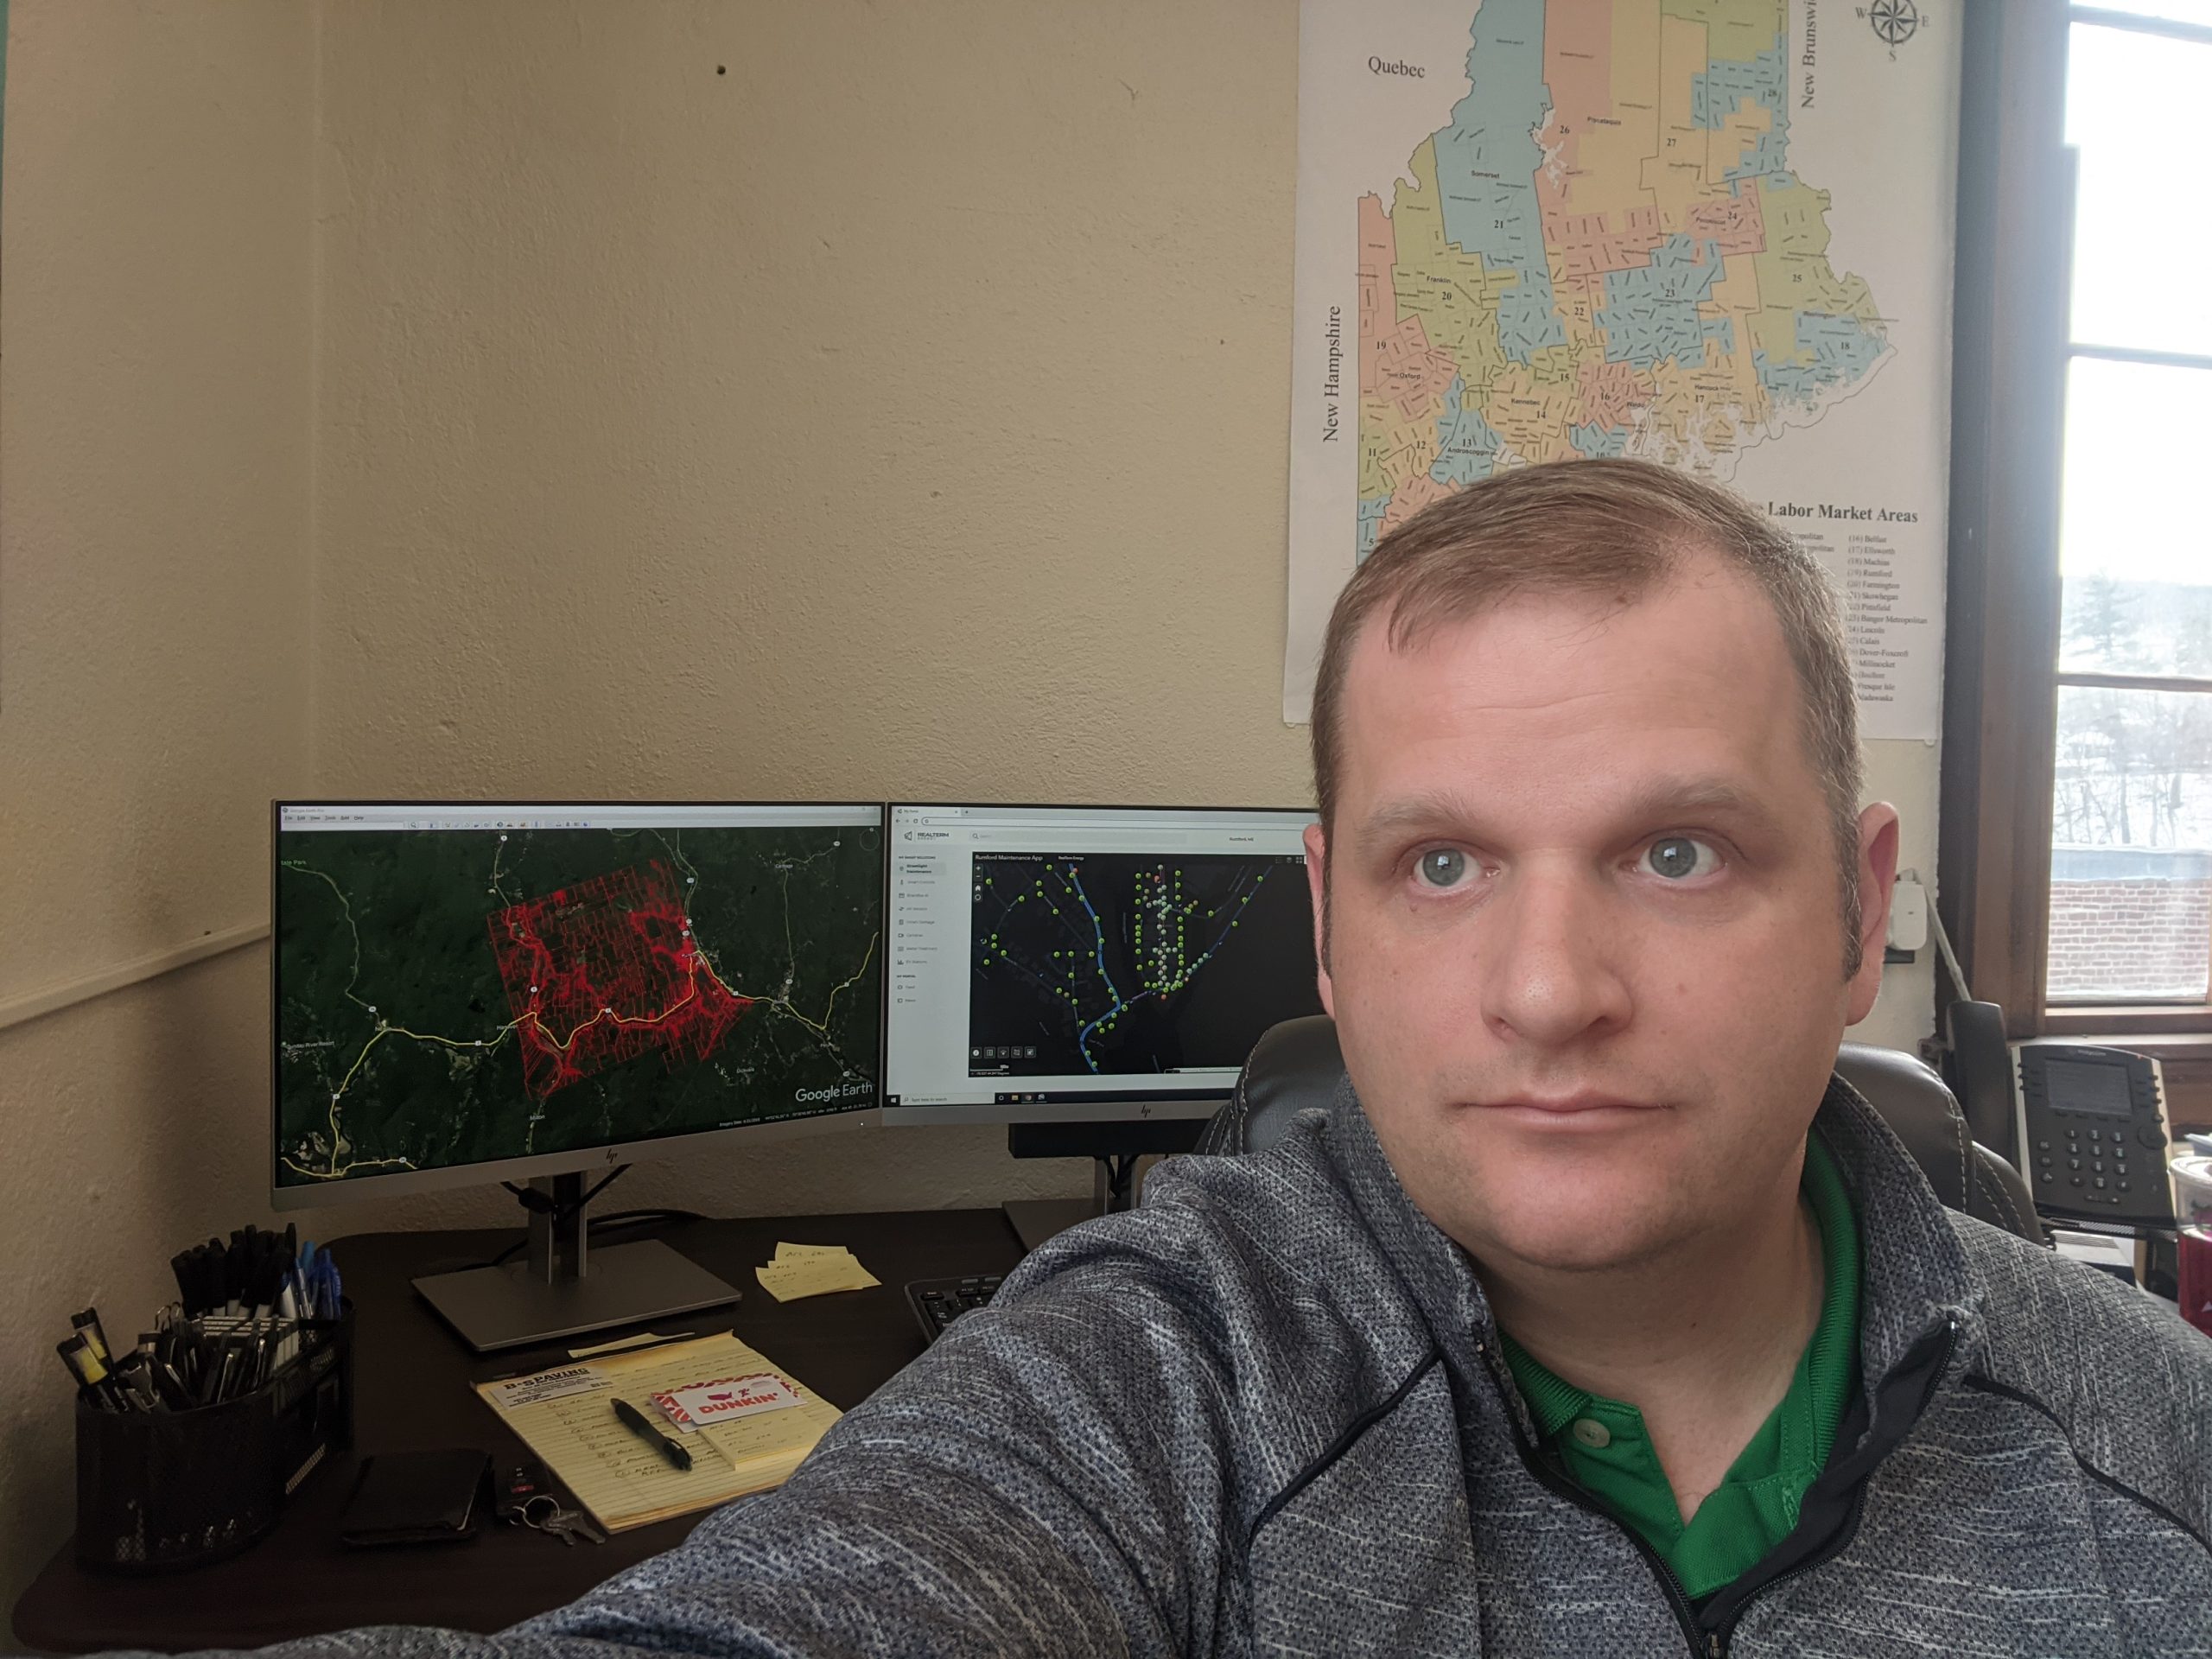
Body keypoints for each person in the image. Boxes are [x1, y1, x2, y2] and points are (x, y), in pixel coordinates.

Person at [194, 460, 2210, 1656]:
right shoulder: (1165, 1378)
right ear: (1325, 921)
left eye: (1672, 854)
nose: (1544, 989)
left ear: (1858, 914)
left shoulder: (2154, 1449)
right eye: (1441, 866)